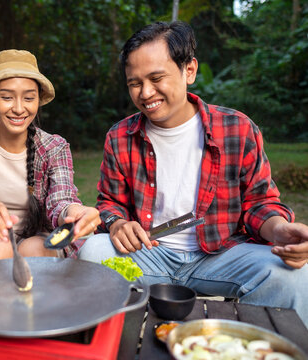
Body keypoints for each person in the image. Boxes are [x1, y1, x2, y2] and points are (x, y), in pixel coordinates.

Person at [78, 21, 308, 326]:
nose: (146, 93)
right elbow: (109, 203)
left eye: (156, 78)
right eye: (135, 83)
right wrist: (118, 223)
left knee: (294, 274)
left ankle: (245, 342)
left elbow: (259, 203)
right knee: (93, 250)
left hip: (222, 256)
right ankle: (119, 337)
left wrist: (279, 229)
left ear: (189, 71)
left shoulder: (237, 129)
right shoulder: (120, 136)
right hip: (149, 254)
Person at [0, 49, 100, 263]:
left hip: (39, 240)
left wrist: (76, 213)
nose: (19, 109)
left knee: (32, 250)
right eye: (7, 97)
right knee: (0, 247)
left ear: (38, 100)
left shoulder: (55, 147)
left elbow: (60, 200)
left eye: (29, 98)